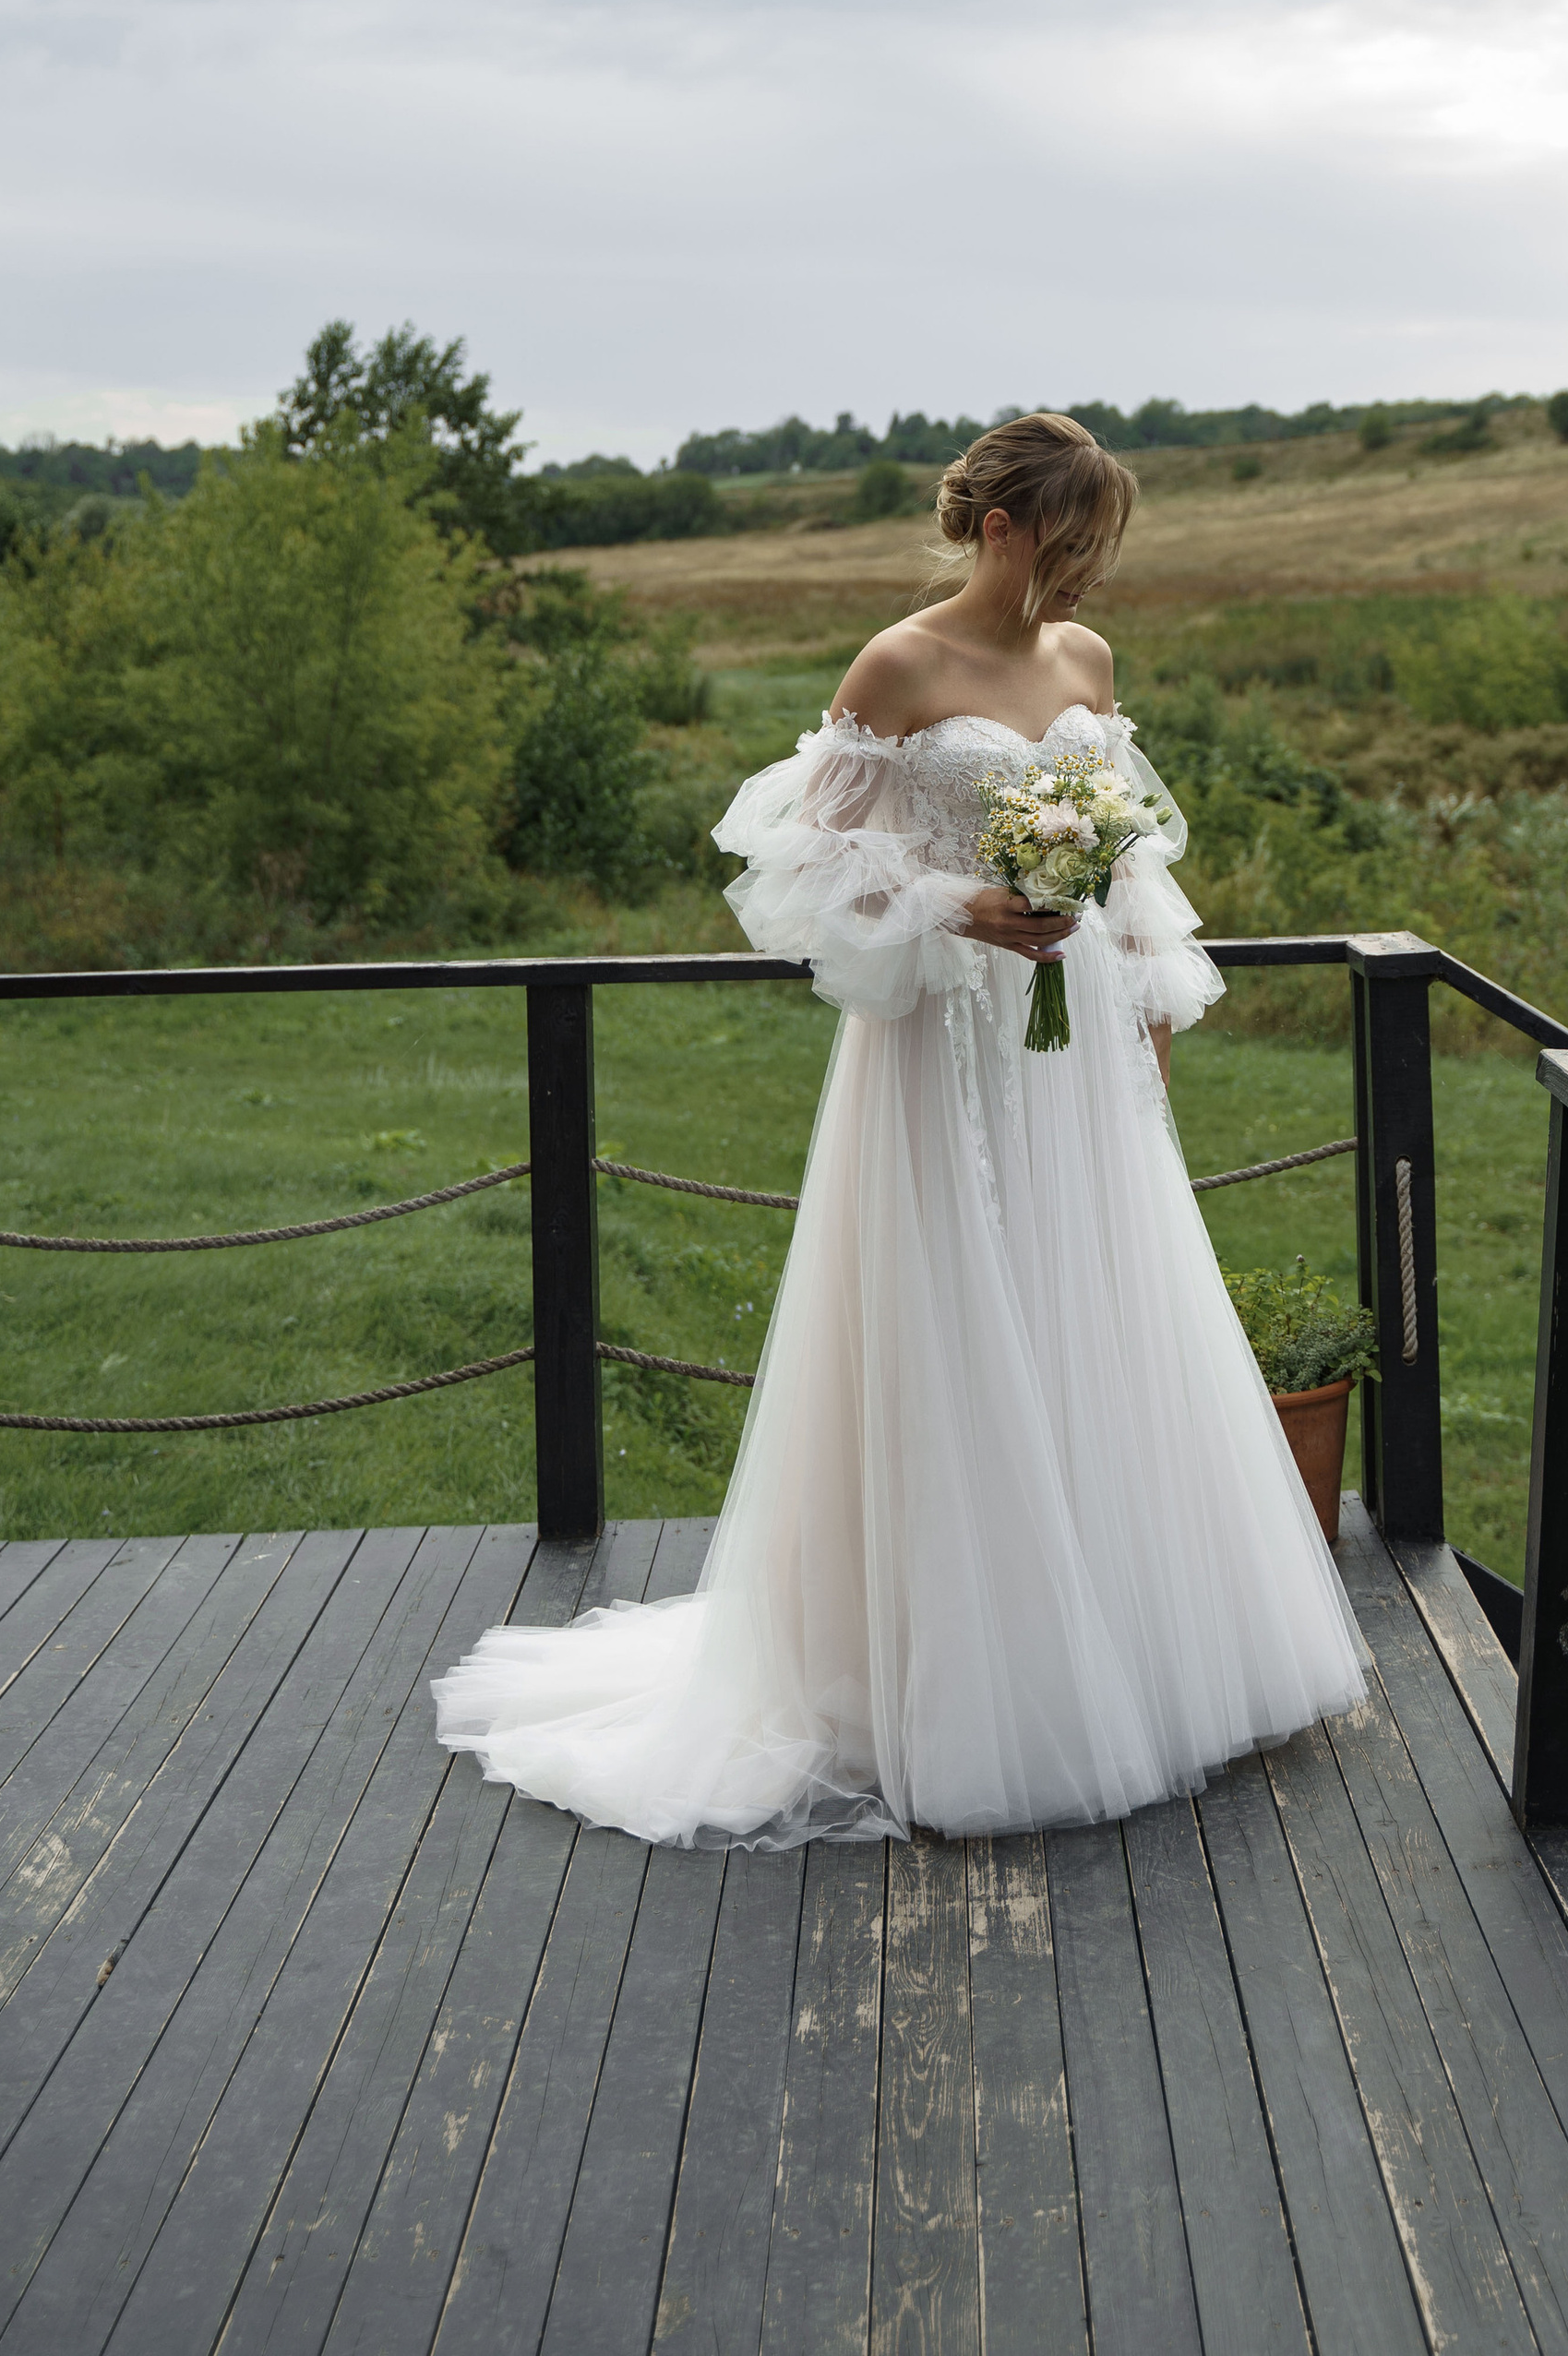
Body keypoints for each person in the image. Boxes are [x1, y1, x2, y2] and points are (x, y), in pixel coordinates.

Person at [431, 412, 1368, 1847]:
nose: (1084, 575)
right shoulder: (898, 666)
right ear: (1001, 527)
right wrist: (955, 905)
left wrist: (1146, 1012)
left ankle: (1125, 1645)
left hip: (1075, 1056)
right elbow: (810, 881)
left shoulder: (1087, 663)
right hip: (944, 1050)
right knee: (953, 1325)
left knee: (1090, 1312)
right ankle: (936, 1679)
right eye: (1072, 543)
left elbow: (1127, 858)